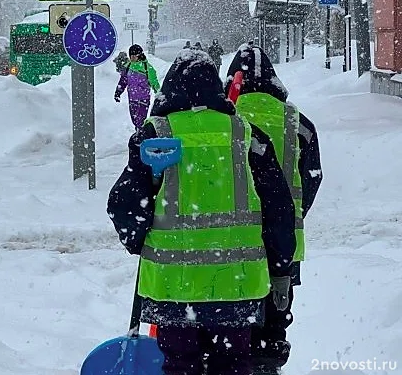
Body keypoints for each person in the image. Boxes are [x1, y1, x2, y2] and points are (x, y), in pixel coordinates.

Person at [107, 49, 297, 375]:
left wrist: (138, 239)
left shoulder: (157, 136)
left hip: (174, 289)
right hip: (238, 288)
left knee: (180, 365)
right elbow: (279, 210)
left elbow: (123, 204)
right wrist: (280, 267)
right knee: (233, 363)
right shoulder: (246, 136)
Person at [224, 43, 323, 375]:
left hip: (235, 242)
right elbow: (313, 176)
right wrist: (293, 212)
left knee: (235, 326)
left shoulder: (229, 120)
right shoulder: (299, 122)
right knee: (273, 325)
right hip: (286, 246)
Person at [114, 44, 161, 130]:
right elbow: (123, 81)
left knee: (141, 120)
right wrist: (118, 92)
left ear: (139, 55)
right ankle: (139, 132)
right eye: (130, 55)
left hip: (144, 99)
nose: (131, 58)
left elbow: (154, 82)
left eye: (133, 55)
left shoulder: (147, 68)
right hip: (132, 99)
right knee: (134, 119)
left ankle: (140, 135)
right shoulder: (128, 66)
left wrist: (159, 94)